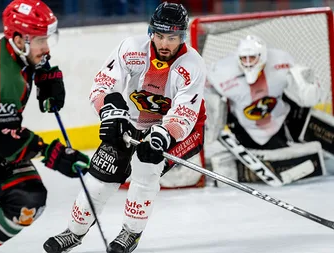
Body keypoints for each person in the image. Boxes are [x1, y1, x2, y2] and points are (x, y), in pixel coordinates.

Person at [43, 2, 206, 253]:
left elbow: (184, 113)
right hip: (130, 121)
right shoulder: (132, 48)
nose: (164, 44)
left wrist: (162, 136)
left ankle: (131, 233)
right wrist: (110, 114)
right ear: (151, 31)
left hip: (180, 128)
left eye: (172, 37)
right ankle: (73, 233)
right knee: (100, 178)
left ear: (182, 36)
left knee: (146, 169)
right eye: (159, 35)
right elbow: (102, 86)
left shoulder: (192, 65)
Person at [0, 0, 90, 252]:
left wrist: (44, 74)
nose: (46, 47)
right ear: (18, 39)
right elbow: (5, 140)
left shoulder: (13, 52)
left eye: (47, 38)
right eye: (39, 40)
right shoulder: (2, 79)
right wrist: (54, 155)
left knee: (28, 201)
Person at [204, 35, 326, 183]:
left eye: (252, 58)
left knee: (282, 149)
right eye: (244, 58)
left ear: (262, 56)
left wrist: (307, 86)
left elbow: (302, 92)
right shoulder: (221, 71)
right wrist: (212, 117)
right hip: (243, 126)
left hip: (280, 119)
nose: (248, 63)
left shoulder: (281, 61)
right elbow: (207, 89)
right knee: (271, 153)